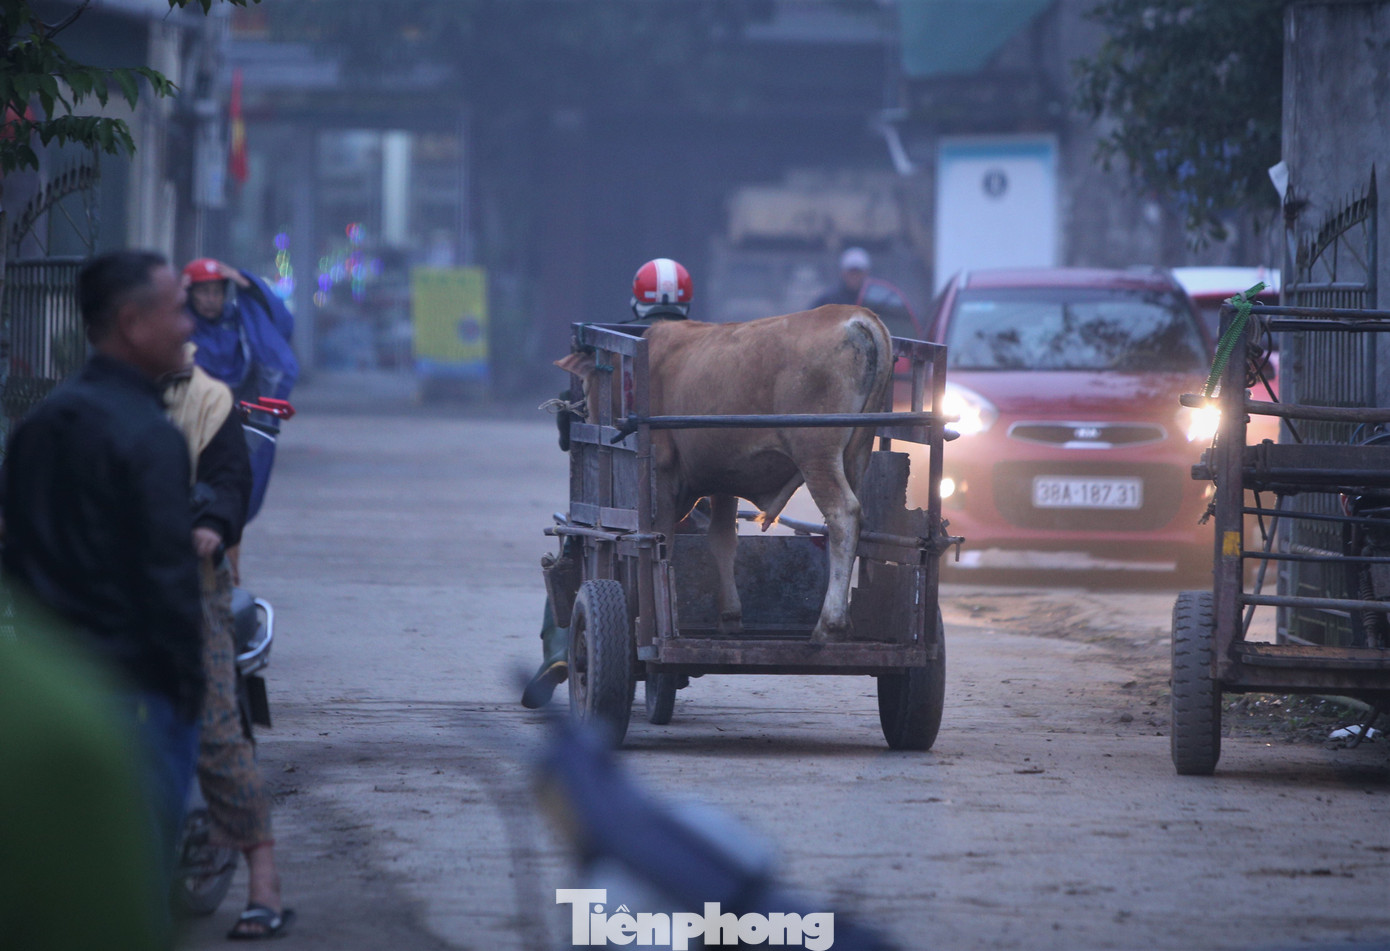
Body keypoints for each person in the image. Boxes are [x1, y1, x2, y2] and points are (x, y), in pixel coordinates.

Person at [1, 249, 203, 946]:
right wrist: (188, 687)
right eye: (176, 308)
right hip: (137, 695)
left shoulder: (40, 425)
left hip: (49, 687)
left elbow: (15, 557)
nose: (187, 324)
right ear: (131, 321)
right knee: (133, 888)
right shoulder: (149, 438)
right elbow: (168, 576)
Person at [163, 348, 294, 939]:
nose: (185, 328)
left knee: (217, 729)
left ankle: (263, 881)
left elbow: (230, 483)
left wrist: (212, 525)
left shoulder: (207, 399)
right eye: (173, 312)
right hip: (101, 589)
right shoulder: (78, 412)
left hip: (189, 587)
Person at [521, 258, 693, 709]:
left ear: (637, 302)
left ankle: (558, 653)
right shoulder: (707, 347)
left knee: (574, 551)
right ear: (687, 304)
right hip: (691, 496)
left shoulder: (603, 348)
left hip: (614, 493)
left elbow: (567, 438)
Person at [182, 257, 299, 524]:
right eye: (203, 292)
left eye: (217, 291)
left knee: (238, 487)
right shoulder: (181, 326)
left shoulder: (242, 323)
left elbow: (279, 325)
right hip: (193, 418)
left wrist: (247, 285)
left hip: (241, 414)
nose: (211, 299)